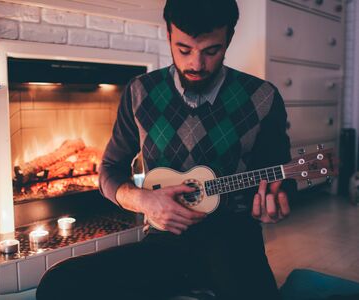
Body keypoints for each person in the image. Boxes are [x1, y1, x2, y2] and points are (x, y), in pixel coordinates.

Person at [37, 0, 293, 299]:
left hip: (233, 241)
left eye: (211, 51)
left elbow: (279, 173)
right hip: (164, 243)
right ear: (168, 35)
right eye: (184, 50)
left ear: (229, 39)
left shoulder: (262, 97)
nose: (197, 64)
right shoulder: (139, 91)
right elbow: (109, 171)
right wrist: (144, 201)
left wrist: (280, 198)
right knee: (58, 285)